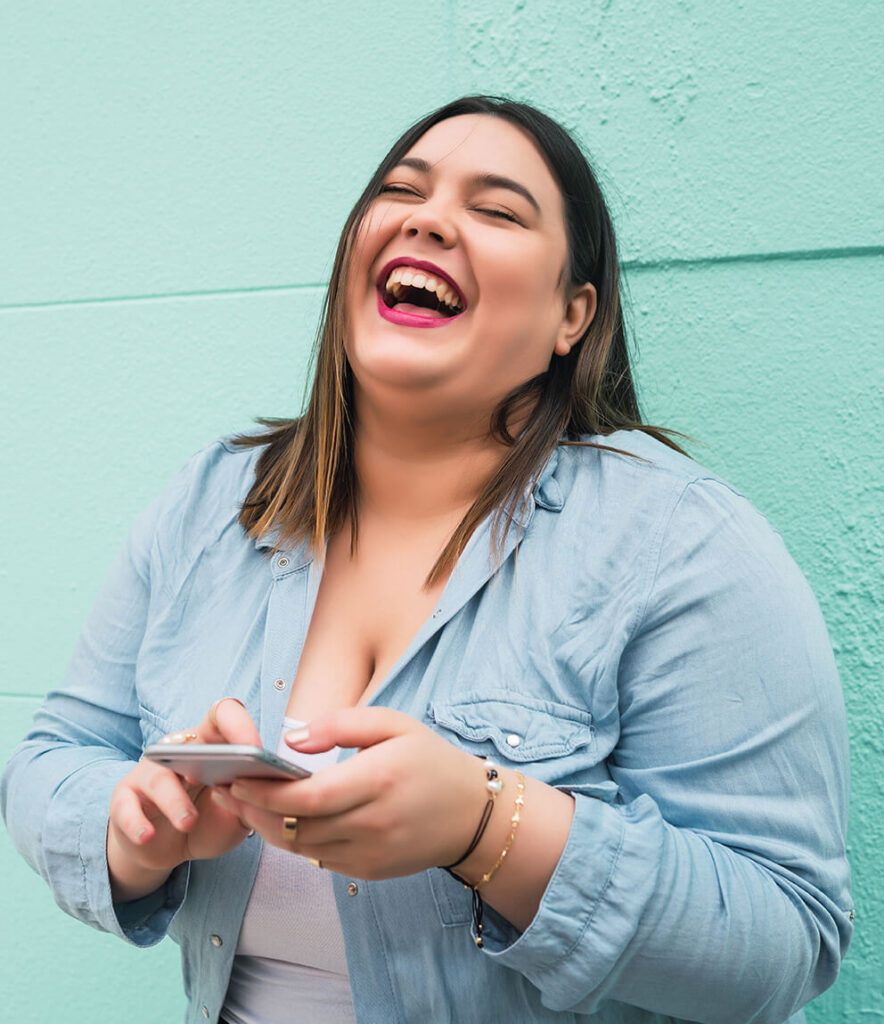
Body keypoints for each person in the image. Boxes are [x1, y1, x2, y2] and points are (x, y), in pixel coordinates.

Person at [1, 96, 852, 1024]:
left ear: (572, 315)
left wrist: (484, 825)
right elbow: (52, 758)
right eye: (402, 191)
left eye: (496, 210)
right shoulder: (209, 502)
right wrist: (136, 830)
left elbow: (786, 941)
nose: (429, 218)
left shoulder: (681, 543)